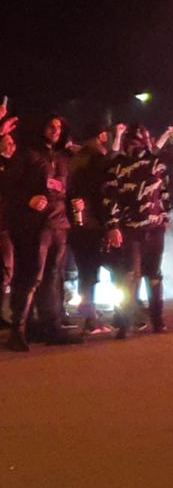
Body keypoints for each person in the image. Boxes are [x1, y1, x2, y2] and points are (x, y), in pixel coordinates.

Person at [4, 114, 84, 350]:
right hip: (33, 227)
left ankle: (52, 327)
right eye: (51, 125)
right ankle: (18, 331)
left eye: (59, 126)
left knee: (53, 277)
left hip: (59, 225)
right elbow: (6, 184)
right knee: (31, 277)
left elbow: (66, 190)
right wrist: (28, 198)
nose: (55, 129)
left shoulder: (62, 159)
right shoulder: (27, 155)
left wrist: (75, 205)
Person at [102, 125, 171, 338]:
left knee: (154, 275)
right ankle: (124, 323)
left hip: (154, 227)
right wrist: (113, 226)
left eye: (139, 141)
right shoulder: (118, 166)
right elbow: (110, 198)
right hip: (129, 228)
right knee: (130, 276)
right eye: (131, 141)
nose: (135, 145)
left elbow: (165, 193)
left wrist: (165, 217)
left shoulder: (157, 164)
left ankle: (157, 320)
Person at [67, 123, 114, 333]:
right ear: (101, 136)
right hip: (95, 222)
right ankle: (94, 318)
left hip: (76, 223)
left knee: (85, 270)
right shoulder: (98, 160)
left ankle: (88, 314)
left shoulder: (74, 160)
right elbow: (104, 193)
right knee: (103, 269)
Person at [0, 131, 17, 330]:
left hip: (11, 225)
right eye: (6, 141)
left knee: (7, 271)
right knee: (6, 268)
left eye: (12, 142)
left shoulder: (17, 165)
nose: (11, 145)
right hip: (3, 226)